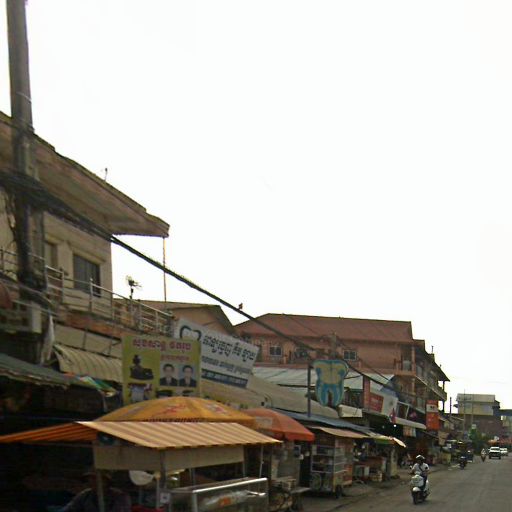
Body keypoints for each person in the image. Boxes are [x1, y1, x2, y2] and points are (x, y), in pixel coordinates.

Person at [61, 470, 131, 512]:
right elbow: (69, 508)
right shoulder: (85, 495)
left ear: (106, 481)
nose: (91, 481)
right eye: (90, 479)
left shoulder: (119, 496)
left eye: (95, 478)